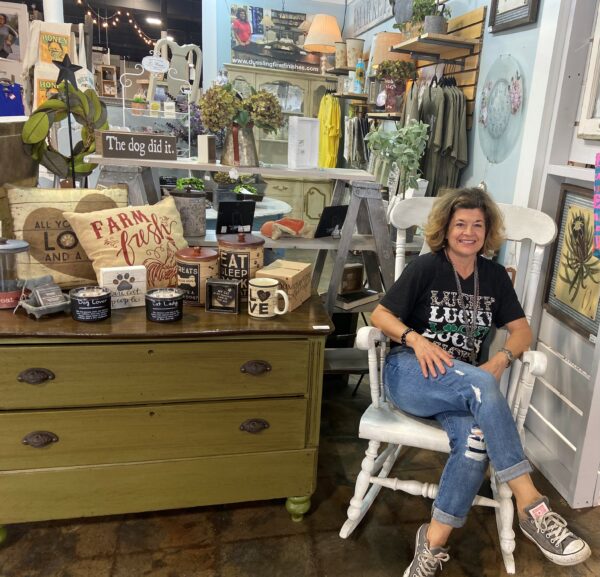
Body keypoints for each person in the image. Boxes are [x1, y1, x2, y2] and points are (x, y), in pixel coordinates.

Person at [370, 187, 591, 576]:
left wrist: (504, 357)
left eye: (477, 225)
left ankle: (431, 543)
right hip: (410, 375)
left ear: (487, 232)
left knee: (475, 440)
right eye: (460, 224)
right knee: (480, 385)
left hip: (466, 385)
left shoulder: (493, 278)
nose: (468, 232)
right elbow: (380, 316)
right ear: (446, 229)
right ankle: (531, 505)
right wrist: (415, 339)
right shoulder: (426, 267)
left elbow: (521, 331)